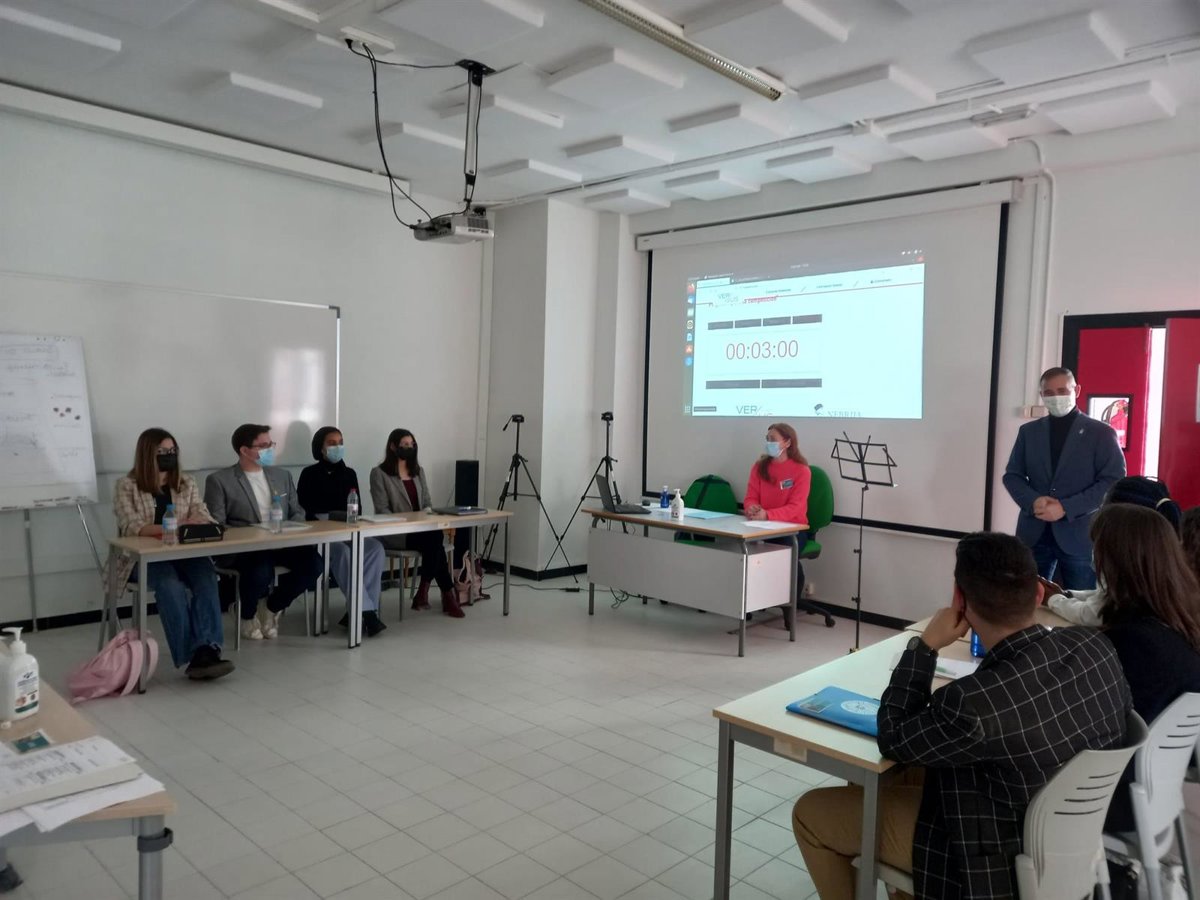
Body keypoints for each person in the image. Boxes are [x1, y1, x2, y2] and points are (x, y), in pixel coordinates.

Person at [792, 531, 1132, 900]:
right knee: (897, 777)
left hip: (992, 865)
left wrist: (924, 647)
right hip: (1071, 844)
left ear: (959, 599)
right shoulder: (1095, 647)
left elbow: (893, 737)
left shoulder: (971, 703)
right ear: (1038, 593)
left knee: (810, 813)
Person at [1088, 503, 1200, 831]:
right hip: (1155, 791)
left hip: (1105, 797)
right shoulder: (1179, 627)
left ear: (1116, 563)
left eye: (1097, 551)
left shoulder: (1132, 642)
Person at [105, 428, 233, 680]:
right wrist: (177, 525)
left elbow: (202, 513)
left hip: (183, 552)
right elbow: (133, 526)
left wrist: (190, 522)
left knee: (206, 577)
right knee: (170, 585)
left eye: (172, 450)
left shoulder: (186, 482)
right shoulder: (126, 486)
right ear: (147, 454)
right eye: (162, 451)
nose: (169, 455)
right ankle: (191, 655)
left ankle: (208, 649)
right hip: (141, 558)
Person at [1003, 366, 1125, 589]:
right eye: (1049, 393)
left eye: (1062, 391)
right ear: (1041, 395)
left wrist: (1066, 508)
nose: (1056, 397)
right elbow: (1012, 476)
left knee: (1080, 604)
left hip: (1079, 535)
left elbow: (1113, 481)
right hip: (1033, 534)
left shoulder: (1101, 433)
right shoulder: (1028, 432)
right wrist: (1032, 501)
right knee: (1026, 599)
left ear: (1076, 390)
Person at [204, 424, 323, 640]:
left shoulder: (282, 475)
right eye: (263, 446)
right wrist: (252, 533)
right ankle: (246, 615)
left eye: (271, 444)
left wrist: (292, 528)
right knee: (261, 569)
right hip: (245, 549)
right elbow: (216, 523)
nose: (270, 449)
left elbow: (297, 512)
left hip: (282, 542)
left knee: (314, 564)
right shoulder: (220, 480)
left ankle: (271, 607)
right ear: (244, 450)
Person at [1045, 476, 1184, 626]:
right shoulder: (1166, 552)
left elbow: (1096, 614)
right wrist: (1067, 595)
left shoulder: (1119, 556)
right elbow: (1107, 597)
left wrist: (1053, 600)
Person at [297, 427, 387, 637]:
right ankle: (367, 612)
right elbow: (304, 510)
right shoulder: (309, 474)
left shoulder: (349, 474)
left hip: (346, 529)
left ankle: (359, 609)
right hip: (319, 534)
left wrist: (333, 514)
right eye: (332, 443)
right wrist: (330, 515)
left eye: (340, 442)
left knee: (375, 548)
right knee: (343, 552)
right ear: (320, 447)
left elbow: (357, 509)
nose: (337, 447)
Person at [369, 428, 464, 618]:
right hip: (395, 533)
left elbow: (427, 502)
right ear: (393, 447)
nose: (409, 447)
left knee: (433, 538)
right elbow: (382, 509)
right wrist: (408, 522)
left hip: (422, 531)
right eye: (404, 444)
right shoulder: (379, 473)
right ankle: (444, 594)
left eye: (412, 444)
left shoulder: (418, 472)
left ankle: (425, 592)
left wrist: (426, 515)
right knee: (435, 540)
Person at [745, 422, 812, 627]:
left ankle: (790, 607)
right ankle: (749, 602)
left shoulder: (801, 471)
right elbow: (750, 497)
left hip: (793, 529)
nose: (769, 443)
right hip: (762, 526)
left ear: (787, 442)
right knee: (746, 551)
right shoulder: (759, 467)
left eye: (773, 439)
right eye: (767, 439)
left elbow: (796, 507)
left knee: (785, 554)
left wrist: (768, 515)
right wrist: (752, 509)